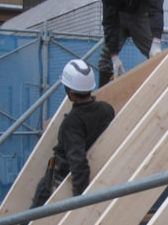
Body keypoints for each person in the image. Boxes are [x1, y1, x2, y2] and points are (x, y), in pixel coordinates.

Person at [33, 59, 115, 207]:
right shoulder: (106, 110)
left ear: (70, 93)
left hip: (60, 180)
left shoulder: (72, 123)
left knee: (35, 216)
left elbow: (79, 165)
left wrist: (79, 205)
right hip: (101, 176)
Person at [98, 0, 164, 87]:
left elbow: (156, 9)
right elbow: (109, 23)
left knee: (155, 55)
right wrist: (114, 56)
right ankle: (101, 93)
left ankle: (161, 87)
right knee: (106, 56)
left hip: (141, 15)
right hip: (119, 17)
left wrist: (156, 41)